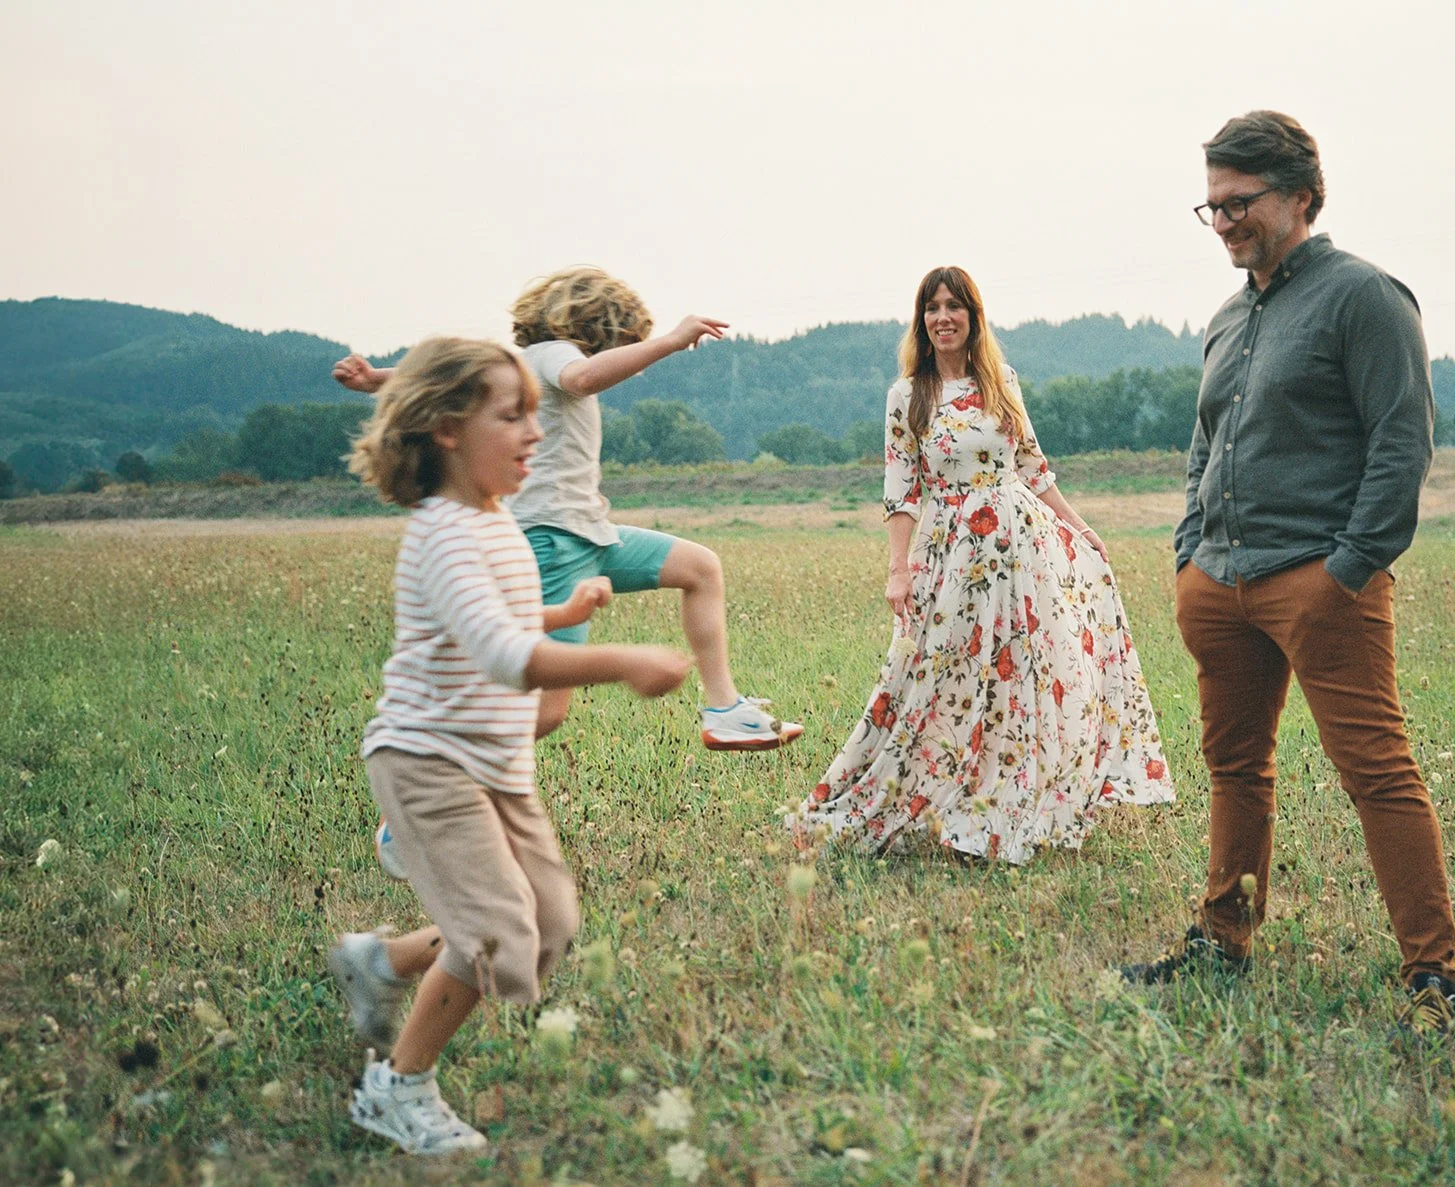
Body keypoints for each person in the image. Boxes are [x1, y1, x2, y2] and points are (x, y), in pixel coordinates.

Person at [1120, 111, 1455, 1038]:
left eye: (1241, 203)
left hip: (1321, 582)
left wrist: (1349, 567)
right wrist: (1189, 549)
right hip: (1218, 582)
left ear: (1302, 195)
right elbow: (1207, 441)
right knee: (1235, 767)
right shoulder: (1229, 317)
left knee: (1377, 772)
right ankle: (1223, 941)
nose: (1225, 221)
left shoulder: (1365, 298)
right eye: (1212, 205)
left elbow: (1402, 440)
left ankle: (1432, 975)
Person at [328, 337, 691, 1154]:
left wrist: (568, 611)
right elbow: (502, 653)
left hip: (495, 763)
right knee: (495, 935)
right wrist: (621, 659)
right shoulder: (446, 531)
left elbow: (507, 624)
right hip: (428, 760)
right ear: (449, 428)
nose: (536, 431)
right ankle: (398, 1086)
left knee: (549, 924)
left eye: (537, 411)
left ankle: (380, 960)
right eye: (513, 414)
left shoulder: (496, 521)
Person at [791, 266, 1173, 863]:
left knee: (1020, 678)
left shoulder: (1001, 381)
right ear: (921, 320)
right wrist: (899, 569)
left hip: (1020, 553)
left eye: (954, 306)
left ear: (973, 316)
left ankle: (1000, 806)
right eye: (932, 307)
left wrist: (1081, 527)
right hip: (951, 554)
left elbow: (1032, 465)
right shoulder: (906, 396)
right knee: (939, 676)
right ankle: (925, 794)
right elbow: (901, 490)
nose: (942, 317)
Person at [333, 266, 801, 752]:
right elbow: (582, 378)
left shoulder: (521, 363)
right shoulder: (558, 354)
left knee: (699, 567)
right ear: (600, 326)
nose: (631, 360)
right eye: (626, 343)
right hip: (554, 538)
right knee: (545, 711)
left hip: (589, 532)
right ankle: (426, 757)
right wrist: (670, 341)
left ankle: (723, 708)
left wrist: (377, 381)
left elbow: (450, 381)